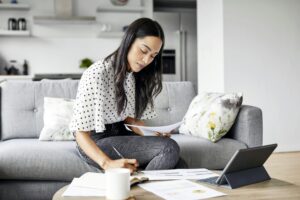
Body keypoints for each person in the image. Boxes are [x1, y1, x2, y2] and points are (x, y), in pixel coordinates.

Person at [70, 18, 182, 173]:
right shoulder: (98, 73)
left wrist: (151, 133)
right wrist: (107, 164)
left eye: (153, 55)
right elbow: (80, 132)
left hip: (121, 133)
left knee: (180, 164)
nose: (146, 60)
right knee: (169, 149)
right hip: (95, 142)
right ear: (129, 41)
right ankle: (140, 189)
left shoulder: (134, 74)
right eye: (143, 51)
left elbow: (128, 119)